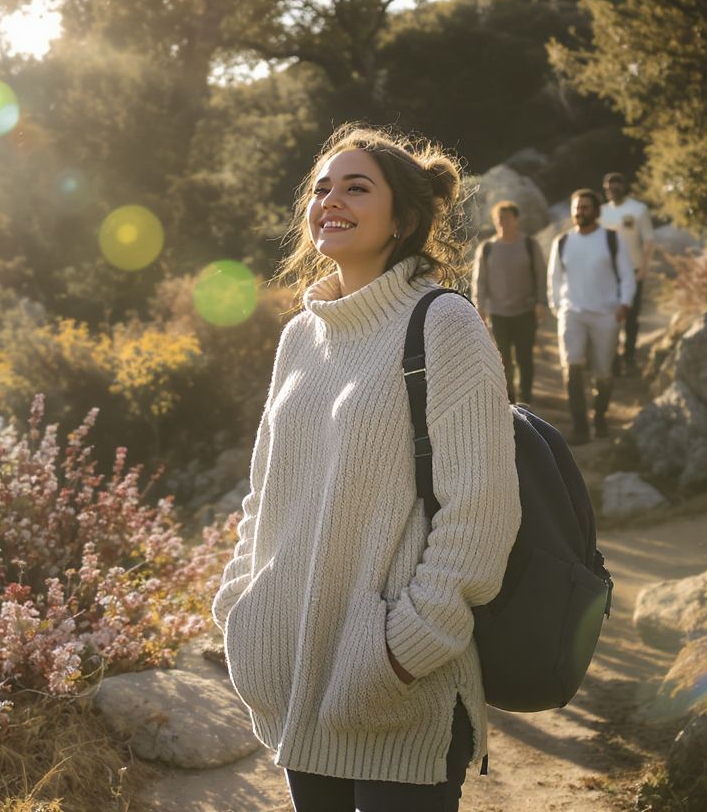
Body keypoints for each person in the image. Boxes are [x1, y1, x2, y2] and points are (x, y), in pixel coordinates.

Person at [212, 124, 522, 812]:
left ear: (404, 219)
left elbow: (482, 510)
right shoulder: (300, 335)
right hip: (294, 675)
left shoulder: (443, 324)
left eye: (357, 187)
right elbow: (264, 496)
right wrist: (240, 609)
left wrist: (401, 651)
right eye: (321, 187)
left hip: (395, 690)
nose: (331, 200)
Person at [548, 189, 636, 444]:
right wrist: (557, 306)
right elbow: (553, 278)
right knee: (571, 365)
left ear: (596, 211)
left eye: (585, 207)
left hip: (606, 314)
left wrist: (624, 305)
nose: (580, 212)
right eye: (577, 208)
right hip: (572, 312)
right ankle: (579, 427)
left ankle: (599, 416)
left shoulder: (611, 239)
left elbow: (627, 274)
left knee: (604, 372)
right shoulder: (562, 241)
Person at [471, 201, 548, 404]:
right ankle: (509, 400)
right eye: (498, 219)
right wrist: (479, 307)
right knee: (502, 359)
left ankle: (526, 398)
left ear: (516, 219)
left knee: (525, 358)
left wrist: (541, 301)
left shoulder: (530, 246)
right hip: (498, 313)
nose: (502, 222)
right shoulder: (487, 249)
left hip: (525, 311)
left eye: (506, 218)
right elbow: (480, 281)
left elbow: (541, 275)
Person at [600, 172, 655, 376]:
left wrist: (644, 267)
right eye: (607, 188)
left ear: (623, 187)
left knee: (631, 316)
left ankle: (629, 357)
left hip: (632, 271)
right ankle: (611, 359)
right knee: (610, 316)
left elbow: (648, 240)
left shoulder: (638, 210)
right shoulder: (601, 212)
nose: (611, 191)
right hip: (608, 273)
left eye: (615, 187)